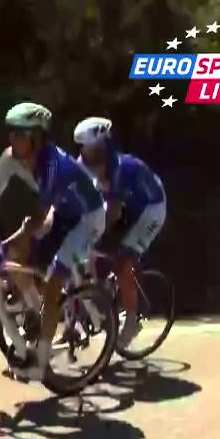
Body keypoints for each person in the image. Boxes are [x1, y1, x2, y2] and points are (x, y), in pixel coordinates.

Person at [0, 102, 107, 382]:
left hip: (88, 218)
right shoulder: (10, 158)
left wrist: (3, 246)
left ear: (36, 138)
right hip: (62, 212)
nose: (12, 140)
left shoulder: (53, 165)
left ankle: (41, 363)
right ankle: (39, 316)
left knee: (51, 282)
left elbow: (37, 220)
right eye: (10, 133)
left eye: (19, 135)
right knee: (17, 257)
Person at [72, 117, 167, 348]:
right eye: (82, 147)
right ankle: (102, 296)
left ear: (103, 146)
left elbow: (112, 215)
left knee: (123, 260)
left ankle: (132, 320)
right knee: (88, 249)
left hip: (151, 208)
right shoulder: (82, 163)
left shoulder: (119, 168)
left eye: (90, 148)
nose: (85, 153)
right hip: (125, 205)